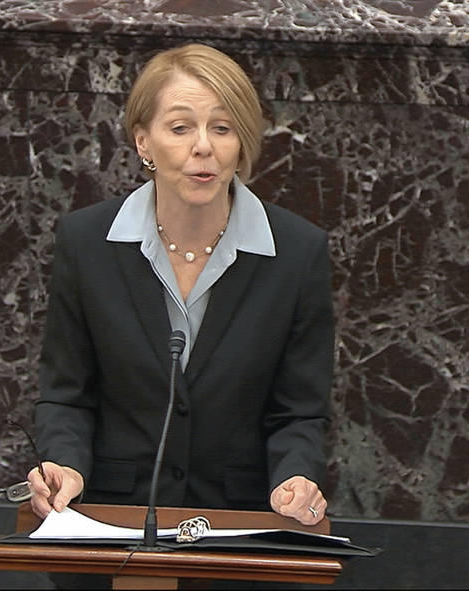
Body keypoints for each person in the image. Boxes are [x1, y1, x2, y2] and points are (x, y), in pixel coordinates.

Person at [26, 43, 333, 528]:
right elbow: (67, 394)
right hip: (113, 521)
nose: (203, 146)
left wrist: (294, 475)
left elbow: (300, 411)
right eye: (180, 127)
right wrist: (64, 463)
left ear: (242, 142)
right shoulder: (87, 243)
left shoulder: (297, 252)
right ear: (143, 141)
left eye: (222, 127)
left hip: (241, 525)